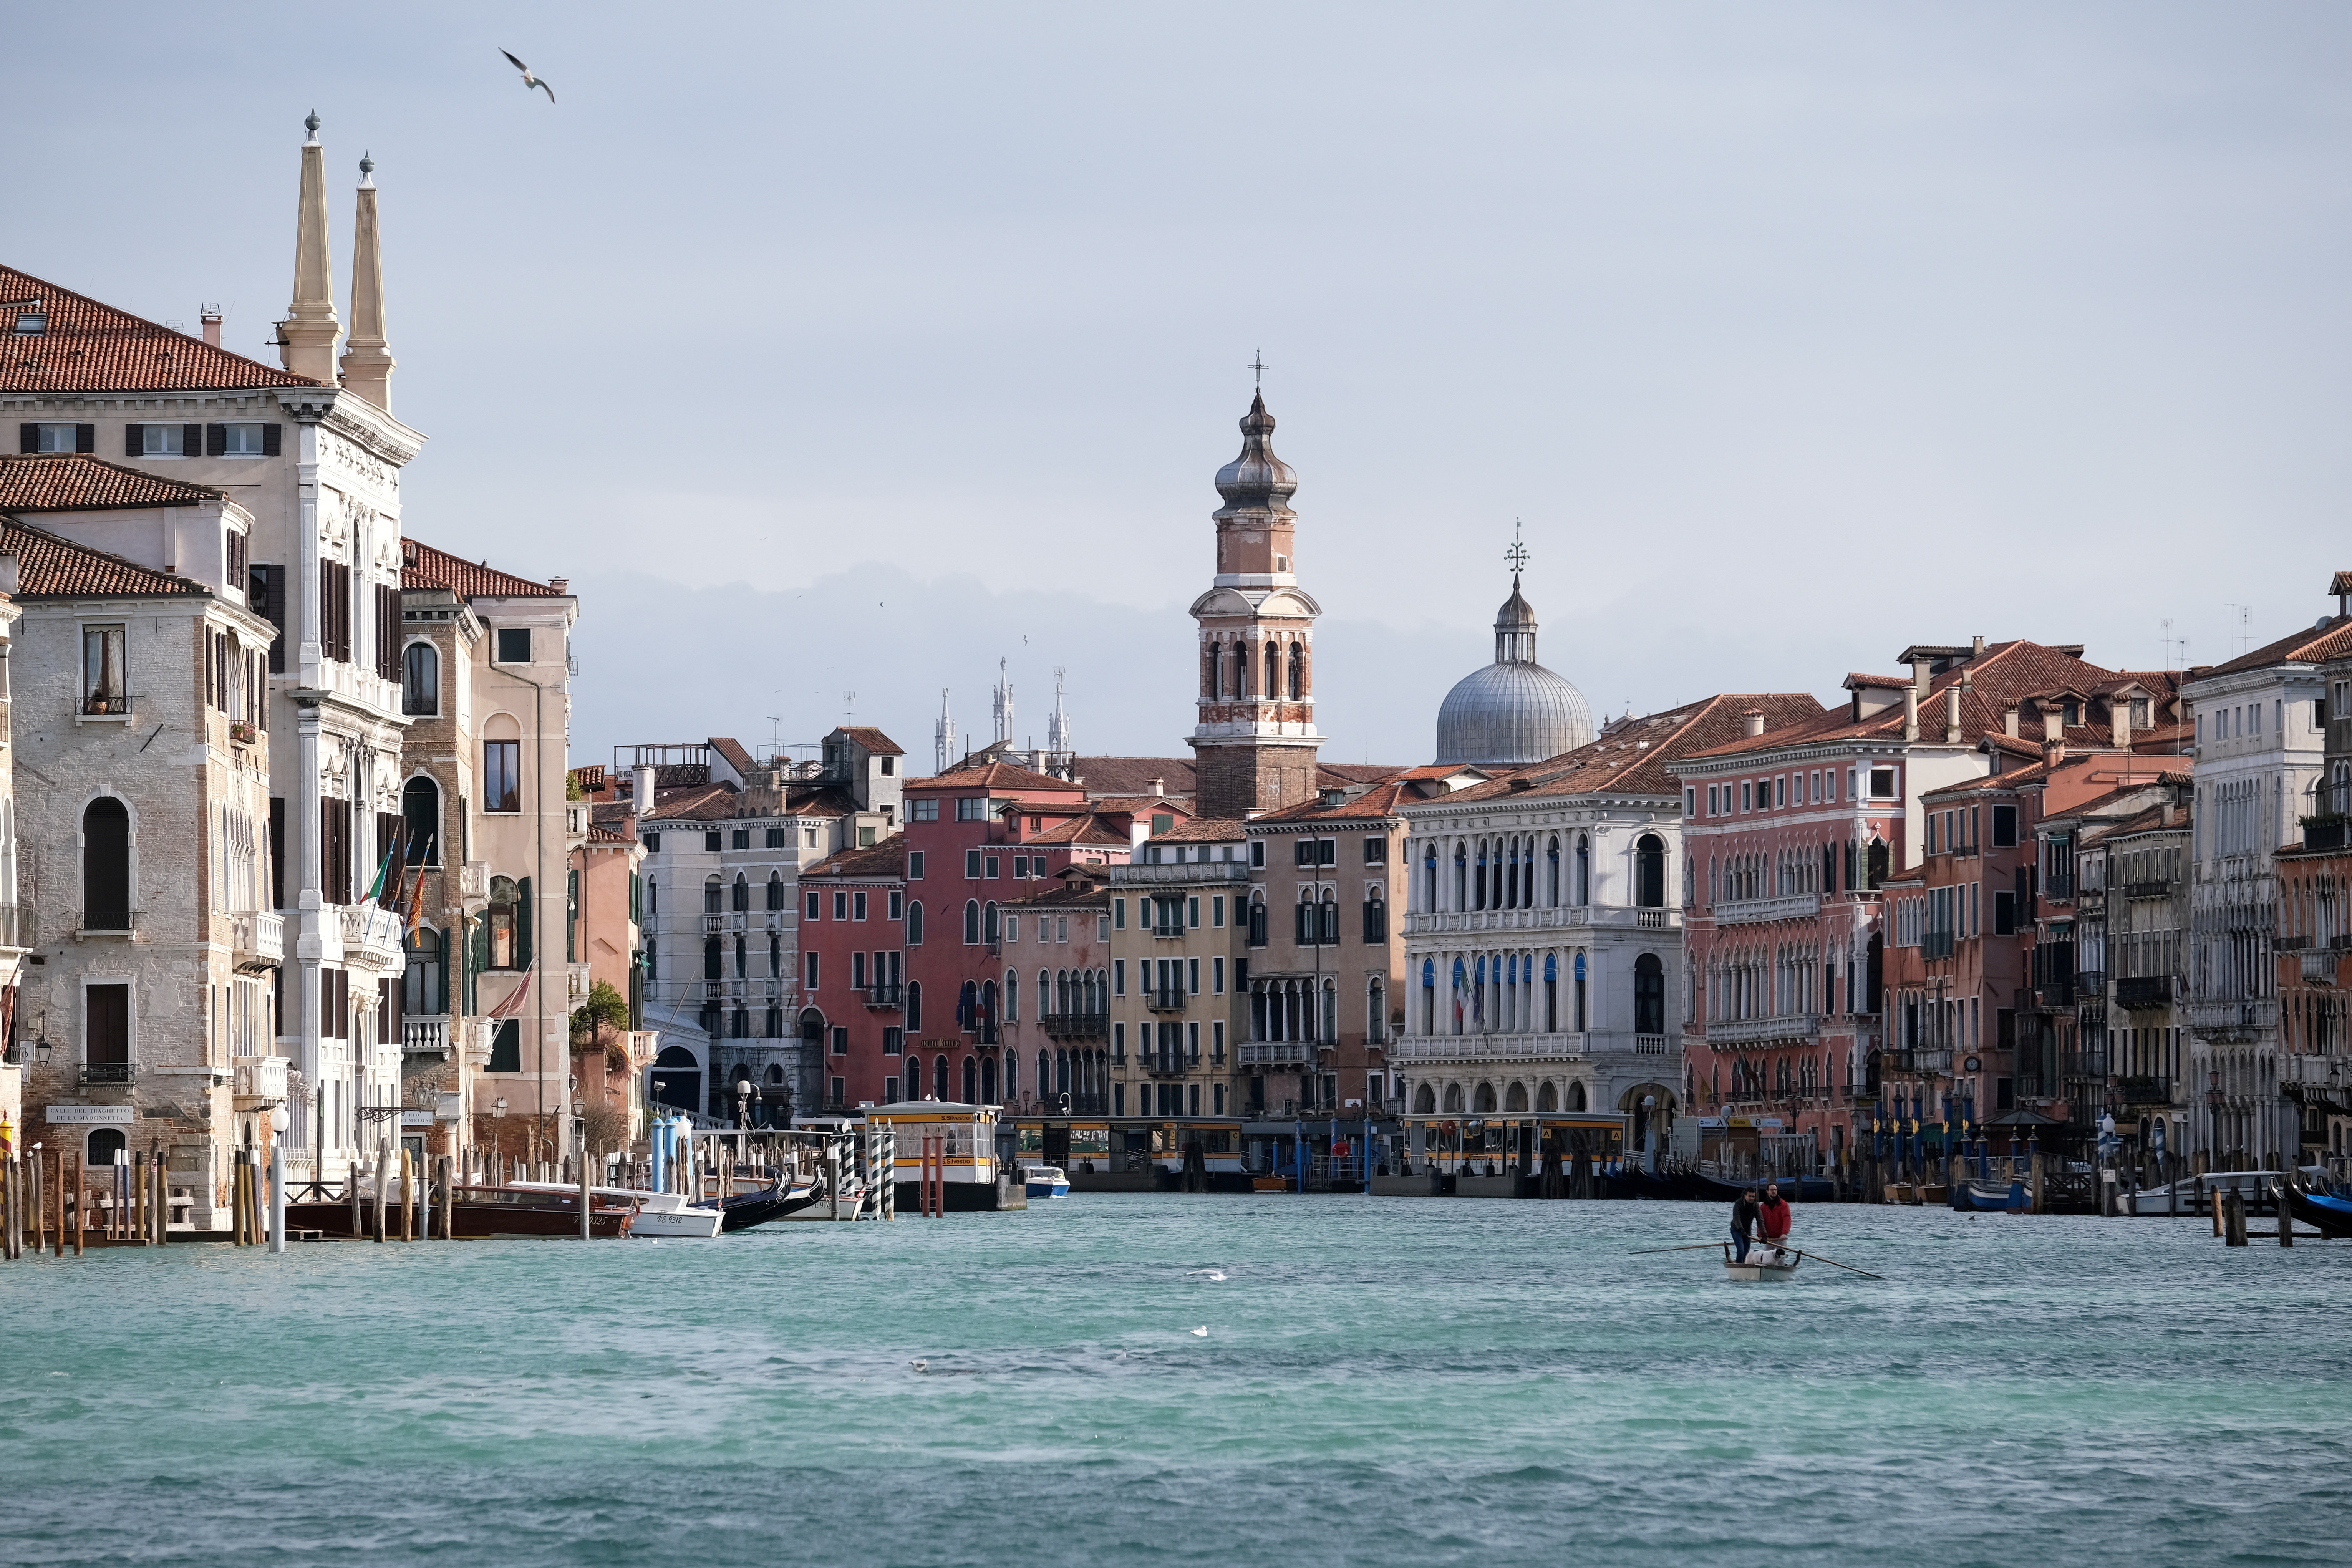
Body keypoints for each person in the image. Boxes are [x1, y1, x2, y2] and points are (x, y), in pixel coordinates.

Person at [1757, 1180, 1793, 1260]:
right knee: (1767, 1259)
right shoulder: (1763, 1207)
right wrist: (1760, 1235)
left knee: (1781, 1260)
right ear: (1768, 1192)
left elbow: (1787, 1219)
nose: (1774, 1192)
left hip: (1780, 1238)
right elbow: (1761, 1222)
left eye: (1775, 1190)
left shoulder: (1784, 1204)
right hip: (1769, 1239)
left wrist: (1785, 1233)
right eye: (1772, 1190)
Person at [1730, 1185, 1760, 1263]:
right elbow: (1737, 1218)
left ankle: (1744, 1264)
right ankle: (1739, 1266)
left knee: (1747, 1251)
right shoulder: (1738, 1204)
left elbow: (1760, 1220)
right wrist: (1741, 1229)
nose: (1752, 1198)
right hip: (1737, 1230)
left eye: (1753, 1197)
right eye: (1750, 1196)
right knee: (1741, 1250)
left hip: (1747, 1230)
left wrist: (1763, 1235)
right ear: (1745, 1196)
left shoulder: (1756, 1206)